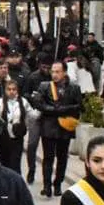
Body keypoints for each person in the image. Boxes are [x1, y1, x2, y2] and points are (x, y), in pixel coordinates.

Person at [35, 62, 82, 197]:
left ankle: (58, 184)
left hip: (65, 128)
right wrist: (53, 110)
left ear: (64, 72)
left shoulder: (74, 88)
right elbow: (39, 104)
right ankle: (47, 185)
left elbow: (78, 107)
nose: (54, 74)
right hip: (48, 127)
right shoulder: (44, 86)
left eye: (58, 71)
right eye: (53, 71)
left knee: (62, 158)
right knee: (48, 157)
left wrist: (64, 110)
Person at [0, 78, 37, 175]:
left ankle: (15, 185)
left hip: (17, 138)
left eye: (14, 89)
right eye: (9, 89)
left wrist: (25, 126)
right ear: (5, 90)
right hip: (2, 139)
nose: (11, 92)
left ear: (17, 90)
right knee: (3, 163)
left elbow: (32, 116)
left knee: (15, 164)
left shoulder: (23, 102)